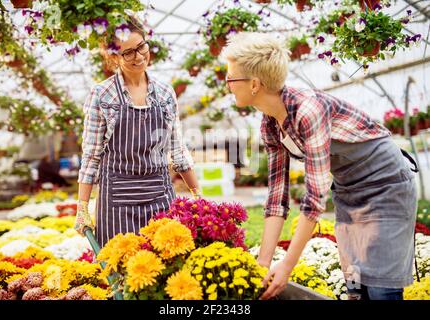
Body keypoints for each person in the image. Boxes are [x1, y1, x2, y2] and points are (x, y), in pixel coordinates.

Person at [221, 32, 418, 300]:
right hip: (349, 190)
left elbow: (314, 199)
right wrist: (263, 264)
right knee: (357, 285)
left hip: (386, 186)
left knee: (381, 288)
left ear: (254, 84)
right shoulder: (269, 123)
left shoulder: (308, 110)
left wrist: (287, 266)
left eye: (230, 78)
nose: (227, 85)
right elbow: (277, 198)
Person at [74, 15, 200, 248]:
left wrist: (197, 195)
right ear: (114, 56)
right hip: (117, 201)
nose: (139, 56)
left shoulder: (164, 93)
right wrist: (82, 207)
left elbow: (177, 149)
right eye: (128, 52)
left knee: (165, 268)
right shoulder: (102, 95)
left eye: (141, 47)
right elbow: (91, 156)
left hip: (160, 195)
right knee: (121, 271)